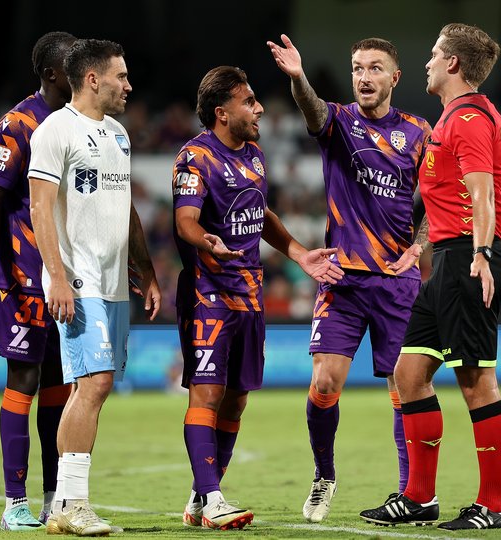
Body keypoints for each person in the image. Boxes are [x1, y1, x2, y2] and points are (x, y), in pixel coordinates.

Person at [267, 34, 432, 523]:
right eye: (358, 67)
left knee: (405, 391)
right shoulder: (338, 121)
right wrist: (298, 78)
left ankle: (412, 493)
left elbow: (439, 199)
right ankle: (324, 476)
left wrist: (419, 246)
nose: (364, 76)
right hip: (343, 279)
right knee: (323, 385)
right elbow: (312, 110)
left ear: (394, 78)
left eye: (375, 68)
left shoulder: (420, 133)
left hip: (397, 283)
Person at [174, 65, 344, 530]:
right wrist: (206, 241)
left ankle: (198, 496)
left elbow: (260, 211)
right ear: (221, 112)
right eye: (249, 101)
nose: (260, 108)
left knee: (237, 400)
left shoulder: (254, 155)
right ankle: (212, 498)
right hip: (208, 294)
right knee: (207, 394)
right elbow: (185, 220)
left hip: (249, 295)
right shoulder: (195, 158)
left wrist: (298, 252)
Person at [359, 23, 501, 530]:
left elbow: (482, 191)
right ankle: (420, 498)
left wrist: (483, 254)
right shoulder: (456, 117)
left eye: (432, 55)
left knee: (476, 382)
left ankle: (493, 506)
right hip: (445, 261)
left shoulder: (466, 119)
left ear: (452, 64)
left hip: (467, 260)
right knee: (409, 375)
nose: (426, 63)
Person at [28, 38, 161, 536]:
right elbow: (40, 209)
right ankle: (74, 503)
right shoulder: (54, 131)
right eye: (121, 76)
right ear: (92, 79)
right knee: (95, 384)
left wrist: (144, 269)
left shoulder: (119, 135)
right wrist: (57, 276)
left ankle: (64, 503)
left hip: (113, 282)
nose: (128, 85)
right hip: (77, 279)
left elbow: (125, 206)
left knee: (91, 388)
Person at [0, 31, 76, 531]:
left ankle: (55, 494)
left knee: (59, 383)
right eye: (72, 63)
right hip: (23, 274)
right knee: (25, 380)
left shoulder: (79, 123)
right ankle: (15, 501)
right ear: (53, 73)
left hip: (70, 278)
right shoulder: (20, 123)